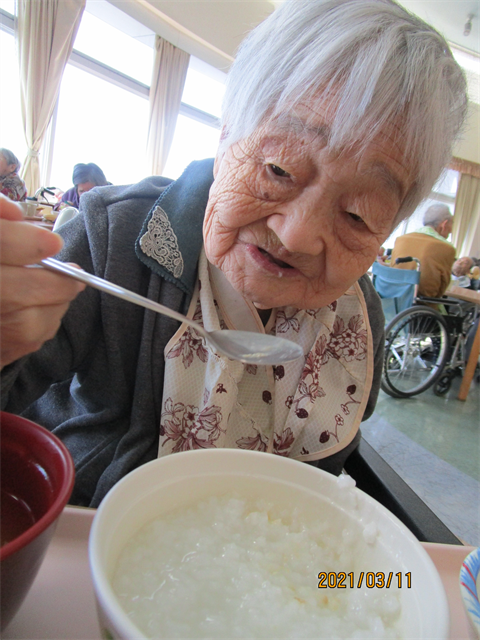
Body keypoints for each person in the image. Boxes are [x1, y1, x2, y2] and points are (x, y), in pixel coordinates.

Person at [0, 0, 467, 507]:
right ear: (226, 140)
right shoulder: (114, 236)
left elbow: (322, 500)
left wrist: (358, 582)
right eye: (279, 169)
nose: (297, 236)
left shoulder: (358, 324)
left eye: (358, 213)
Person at [391, 204, 457, 298]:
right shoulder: (447, 248)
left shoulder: (401, 239)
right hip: (423, 304)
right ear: (444, 224)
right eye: (452, 224)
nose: (451, 231)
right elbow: (442, 289)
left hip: (392, 299)